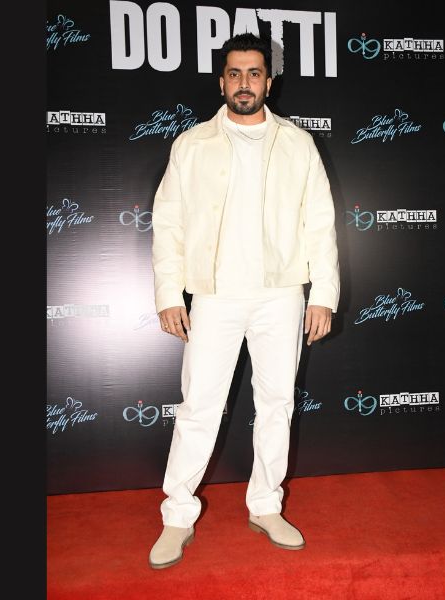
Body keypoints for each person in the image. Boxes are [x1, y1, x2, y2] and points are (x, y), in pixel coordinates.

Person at [149, 32, 340, 569]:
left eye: (254, 73)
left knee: (277, 403)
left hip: (281, 294)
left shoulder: (297, 143)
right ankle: (177, 515)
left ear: (268, 82)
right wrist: (169, 292)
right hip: (214, 295)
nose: (244, 83)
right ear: (222, 82)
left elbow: (320, 223)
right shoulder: (191, 145)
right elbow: (168, 224)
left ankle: (265, 505)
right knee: (198, 407)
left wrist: (323, 294)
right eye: (234, 73)